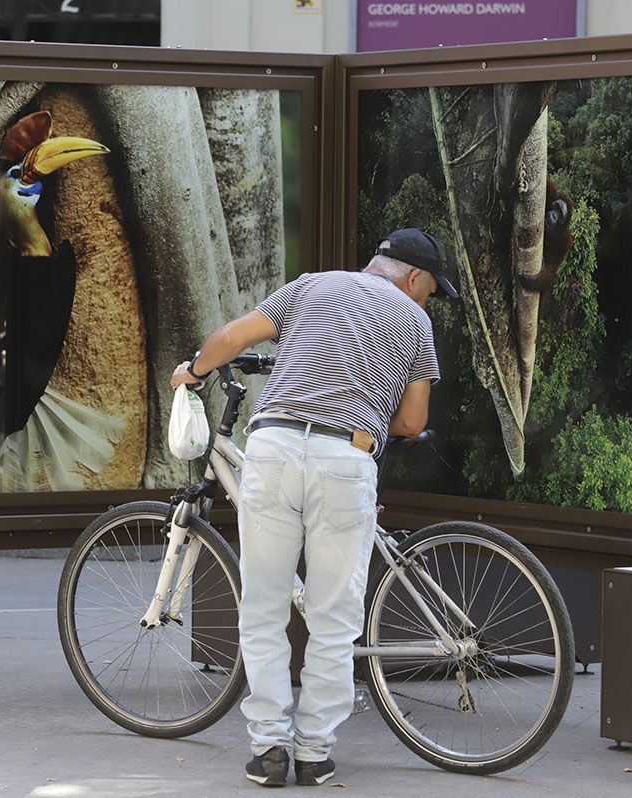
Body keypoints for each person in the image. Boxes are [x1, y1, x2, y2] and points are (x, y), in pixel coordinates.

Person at [170, 228, 458, 787]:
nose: (427, 300)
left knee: (263, 608)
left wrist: (195, 371)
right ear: (415, 278)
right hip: (345, 460)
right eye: (430, 290)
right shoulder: (415, 321)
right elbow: (412, 423)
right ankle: (313, 753)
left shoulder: (311, 285)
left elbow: (232, 336)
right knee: (333, 620)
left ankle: (269, 750)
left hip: (273, 448)